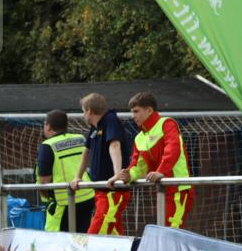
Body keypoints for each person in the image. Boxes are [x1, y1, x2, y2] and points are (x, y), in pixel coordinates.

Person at [109, 92, 193, 229]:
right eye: (132, 112)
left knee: (170, 232)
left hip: (178, 188)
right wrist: (128, 175)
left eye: (136, 111)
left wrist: (161, 171)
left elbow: (173, 149)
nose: (133, 116)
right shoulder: (139, 138)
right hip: (162, 189)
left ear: (149, 110)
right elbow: (138, 166)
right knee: (166, 232)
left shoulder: (167, 123)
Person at [70, 94, 132, 235]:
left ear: (90, 111)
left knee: (94, 235)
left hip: (111, 192)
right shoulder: (95, 127)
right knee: (115, 233)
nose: (82, 115)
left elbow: (114, 145)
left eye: (83, 111)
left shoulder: (110, 120)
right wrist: (77, 177)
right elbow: (86, 151)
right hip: (101, 191)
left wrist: (117, 175)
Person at [37, 109, 94, 232]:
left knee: (59, 241)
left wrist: (45, 195)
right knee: (81, 239)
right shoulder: (79, 138)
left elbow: (44, 181)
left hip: (64, 201)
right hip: (87, 196)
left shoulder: (47, 146)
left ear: (48, 126)